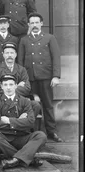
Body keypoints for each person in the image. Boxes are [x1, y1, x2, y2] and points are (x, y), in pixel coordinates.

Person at [18, 12, 63, 142]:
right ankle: (30, 132)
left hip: (45, 77)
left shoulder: (49, 38)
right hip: (30, 79)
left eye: (37, 22)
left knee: (48, 105)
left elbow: (56, 57)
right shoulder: (24, 40)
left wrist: (56, 76)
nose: (35, 25)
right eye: (32, 23)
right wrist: (22, 79)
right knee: (29, 105)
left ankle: (51, 132)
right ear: (28, 25)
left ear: (41, 23)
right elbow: (20, 61)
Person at [0, 74, 46, 170]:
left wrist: (9, 121)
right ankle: (27, 158)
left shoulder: (25, 101)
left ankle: (14, 160)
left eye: (11, 85)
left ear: (16, 86)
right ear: (1, 86)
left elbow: (31, 122)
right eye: (5, 85)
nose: (8, 88)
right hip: (5, 139)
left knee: (41, 136)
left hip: (22, 136)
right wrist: (20, 121)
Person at [0, 42, 42, 120]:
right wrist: (17, 86)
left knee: (36, 105)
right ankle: (11, 126)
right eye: (7, 53)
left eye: (12, 53)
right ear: (3, 55)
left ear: (15, 55)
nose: (9, 55)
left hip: (19, 101)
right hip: (3, 101)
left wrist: (9, 90)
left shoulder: (21, 70)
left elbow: (27, 88)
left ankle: (23, 125)